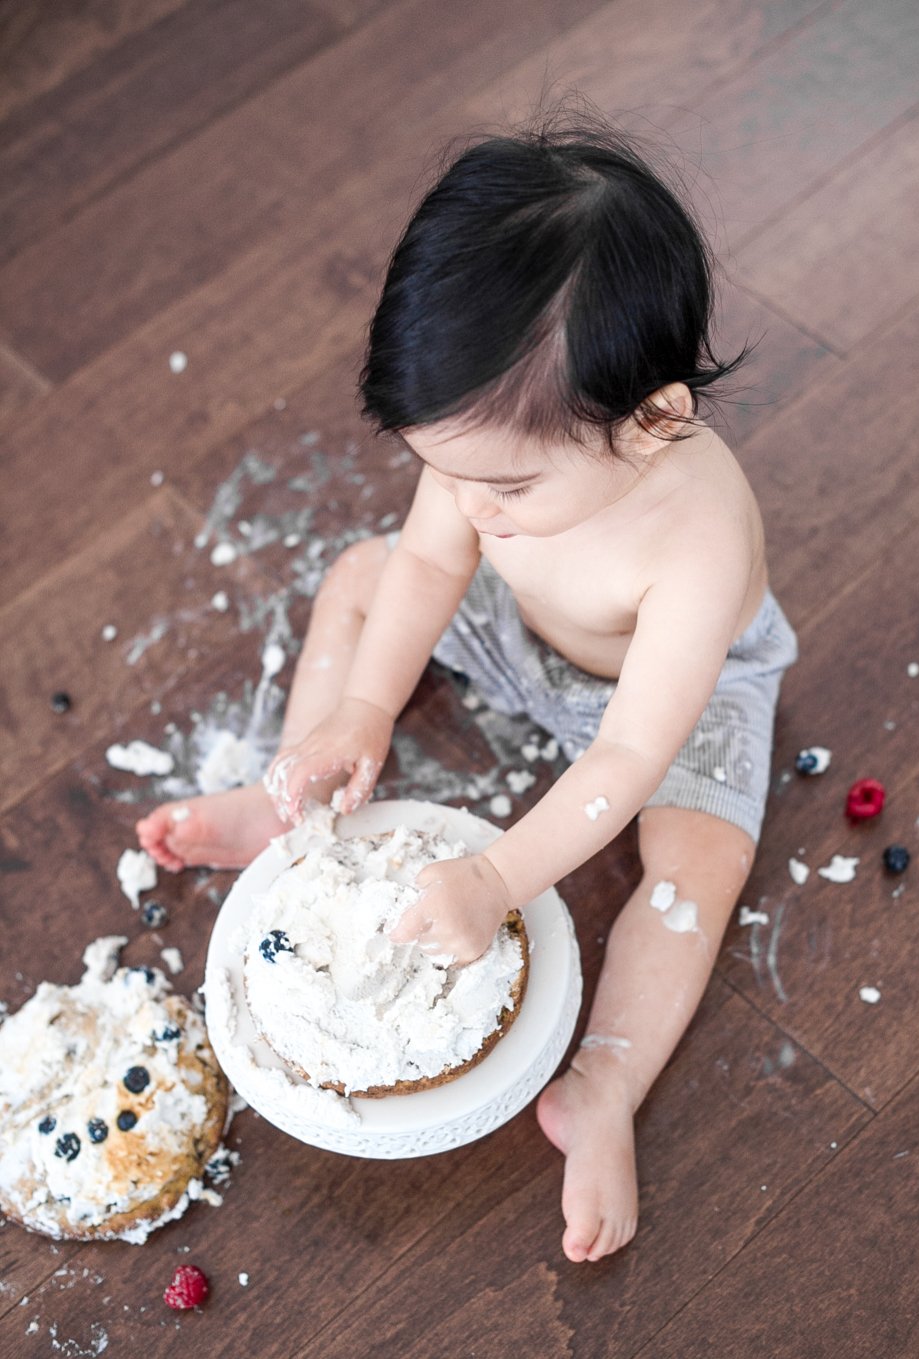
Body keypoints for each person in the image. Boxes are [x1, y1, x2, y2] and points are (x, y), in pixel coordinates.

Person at [133, 110, 796, 1267]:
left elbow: (629, 757)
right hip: (520, 622)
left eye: (501, 483)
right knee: (362, 577)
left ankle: (606, 1081)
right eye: (439, 470)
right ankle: (290, 803)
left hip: (663, 698)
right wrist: (365, 708)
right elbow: (437, 561)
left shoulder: (698, 543)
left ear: (652, 425)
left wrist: (496, 875)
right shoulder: (484, 469)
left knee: (700, 866)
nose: (466, 502)